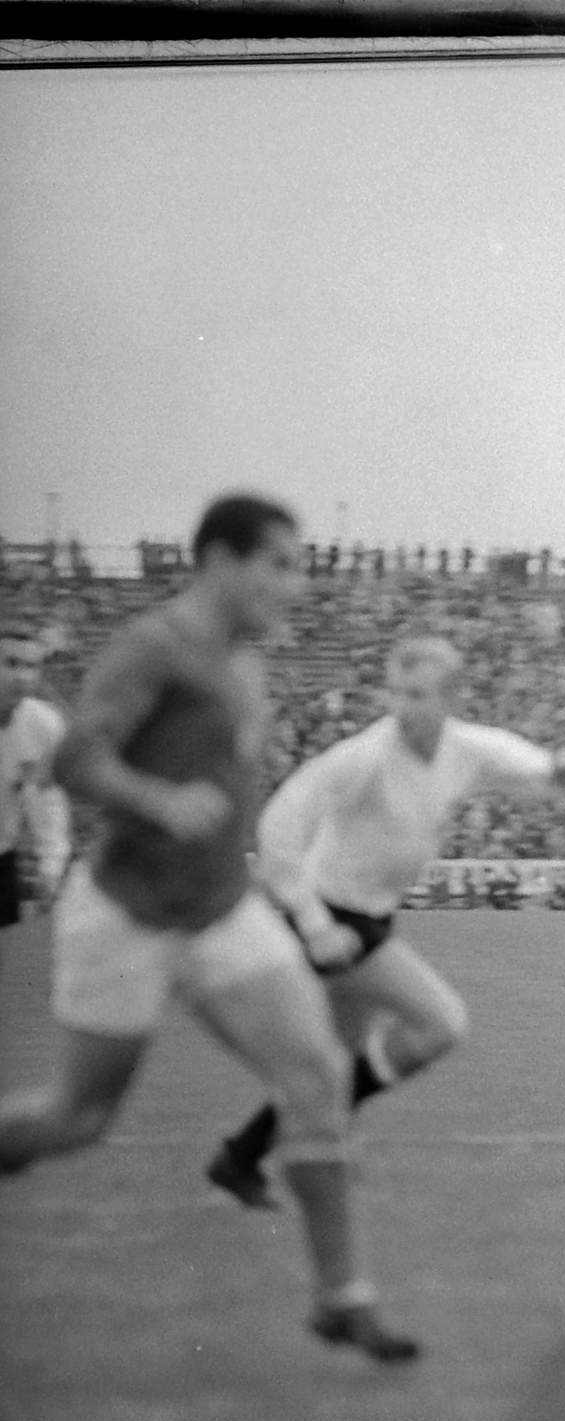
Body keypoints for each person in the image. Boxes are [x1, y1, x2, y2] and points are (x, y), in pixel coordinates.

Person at [0, 494, 418, 1362]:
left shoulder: (245, 662)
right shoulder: (154, 646)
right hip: (128, 915)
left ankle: (342, 1297)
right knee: (78, 1118)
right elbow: (76, 757)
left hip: (223, 912)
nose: (296, 586)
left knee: (317, 1075)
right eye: (281, 564)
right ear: (222, 560)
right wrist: (156, 799)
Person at [205, 636, 565, 1211]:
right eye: (396, 693)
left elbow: (535, 768)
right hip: (335, 921)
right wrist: (314, 925)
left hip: (369, 920)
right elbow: (280, 824)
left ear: (450, 700)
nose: (401, 707)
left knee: (332, 1067)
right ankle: (297, 1142)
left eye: (417, 695)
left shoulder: (465, 749)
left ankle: (247, 1157)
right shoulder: (365, 756)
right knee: (441, 1023)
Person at [0, 631, 71, 975]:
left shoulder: (43, 724)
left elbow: (48, 801)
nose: (21, 676)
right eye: (10, 663)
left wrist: (51, 866)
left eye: (31, 666)